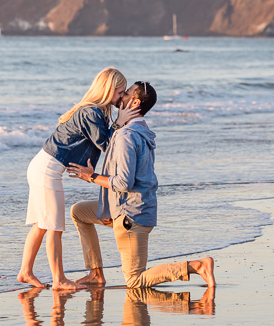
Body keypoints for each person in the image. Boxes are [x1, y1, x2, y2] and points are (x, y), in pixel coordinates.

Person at [67, 81, 216, 289]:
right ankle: (96, 273)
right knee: (79, 212)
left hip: (131, 215)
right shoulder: (139, 130)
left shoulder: (127, 136)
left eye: (126, 94)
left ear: (135, 102)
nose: (121, 97)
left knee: (135, 280)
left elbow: (123, 182)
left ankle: (197, 266)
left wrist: (90, 177)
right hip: (128, 206)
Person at [18, 67, 138, 291]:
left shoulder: (96, 111)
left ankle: (25, 271)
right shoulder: (91, 113)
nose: (122, 97)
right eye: (120, 92)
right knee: (54, 227)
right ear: (109, 89)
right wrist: (121, 122)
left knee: (41, 225)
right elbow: (108, 145)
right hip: (47, 170)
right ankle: (59, 279)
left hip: (42, 165)